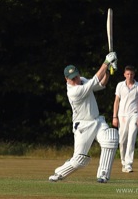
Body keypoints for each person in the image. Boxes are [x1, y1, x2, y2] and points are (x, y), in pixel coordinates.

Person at [48, 52, 119, 183]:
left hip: (97, 121)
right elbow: (95, 81)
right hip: (83, 126)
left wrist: (109, 71)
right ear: (66, 79)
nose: (76, 80)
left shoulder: (83, 80)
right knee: (80, 160)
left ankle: (103, 174)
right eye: (72, 78)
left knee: (111, 138)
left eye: (76, 76)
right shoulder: (74, 92)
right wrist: (106, 62)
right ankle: (59, 173)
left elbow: (101, 85)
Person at [112, 65, 138, 173]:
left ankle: (129, 164)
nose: (129, 76)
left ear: (134, 74)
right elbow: (116, 101)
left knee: (131, 139)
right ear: (124, 75)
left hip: (134, 114)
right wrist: (114, 117)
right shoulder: (120, 85)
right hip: (122, 115)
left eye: (131, 74)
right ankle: (123, 163)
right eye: (128, 74)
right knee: (122, 141)